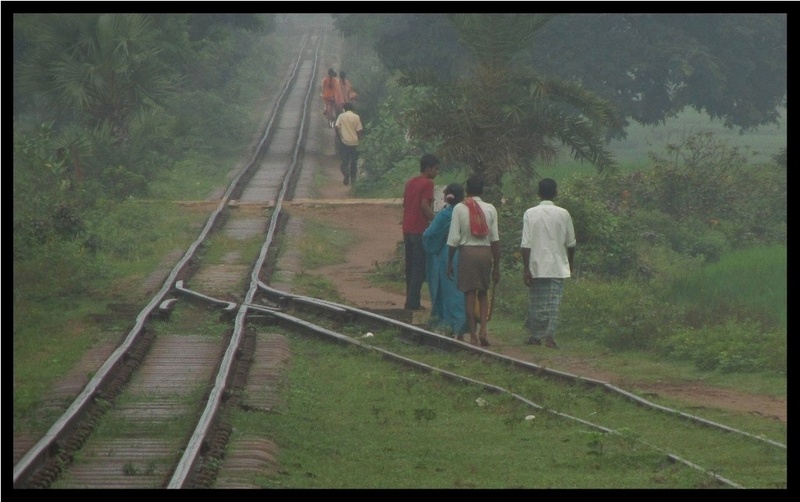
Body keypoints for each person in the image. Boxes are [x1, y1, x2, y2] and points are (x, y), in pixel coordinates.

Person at [520, 178, 576, 349]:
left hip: (536, 264)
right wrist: (570, 263)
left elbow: (525, 244)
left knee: (536, 302)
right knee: (554, 303)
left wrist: (526, 268)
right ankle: (550, 337)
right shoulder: (564, 213)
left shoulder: (530, 213)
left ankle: (536, 336)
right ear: (555, 193)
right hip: (558, 264)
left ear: (538, 193)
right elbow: (571, 243)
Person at [447, 174, 500, 347]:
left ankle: (473, 335)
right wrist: (497, 265)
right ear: (482, 190)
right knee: (483, 292)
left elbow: (454, 239)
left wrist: (449, 262)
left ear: (467, 190)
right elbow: (495, 239)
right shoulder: (491, 208)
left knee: (469, 295)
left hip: (467, 253)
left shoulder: (460, 208)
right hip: (486, 253)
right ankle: (484, 329)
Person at [423, 183, 467, 338]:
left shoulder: (444, 214)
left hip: (448, 255)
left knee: (449, 292)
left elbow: (429, 235)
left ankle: (450, 325)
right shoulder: (467, 211)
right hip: (467, 253)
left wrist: (433, 248)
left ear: (446, 197)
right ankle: (464, 327)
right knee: (464, 292)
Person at [402, 153, 440, 311]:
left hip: (407, 228)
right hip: (419, 229)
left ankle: (410, 300)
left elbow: (405, 203)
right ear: (429, 168)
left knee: (410, 266)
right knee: (419, 267)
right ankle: (413, 303)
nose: (437, 172)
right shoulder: (428, 183)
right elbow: (425, 205)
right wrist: (435, 222)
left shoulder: (411, 182)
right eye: (436, 169)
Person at [334, 102, 363, 186]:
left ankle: (346, 173)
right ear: (352, 109)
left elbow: (336, 126)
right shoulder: (356, 117)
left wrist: (339, 136)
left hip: (344, 142)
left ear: (344, 109)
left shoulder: (341, 116)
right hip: (355, 143)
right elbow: (359, 131)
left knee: (344, 162)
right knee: (354, 162)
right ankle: (353, 180)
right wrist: (361, 141)